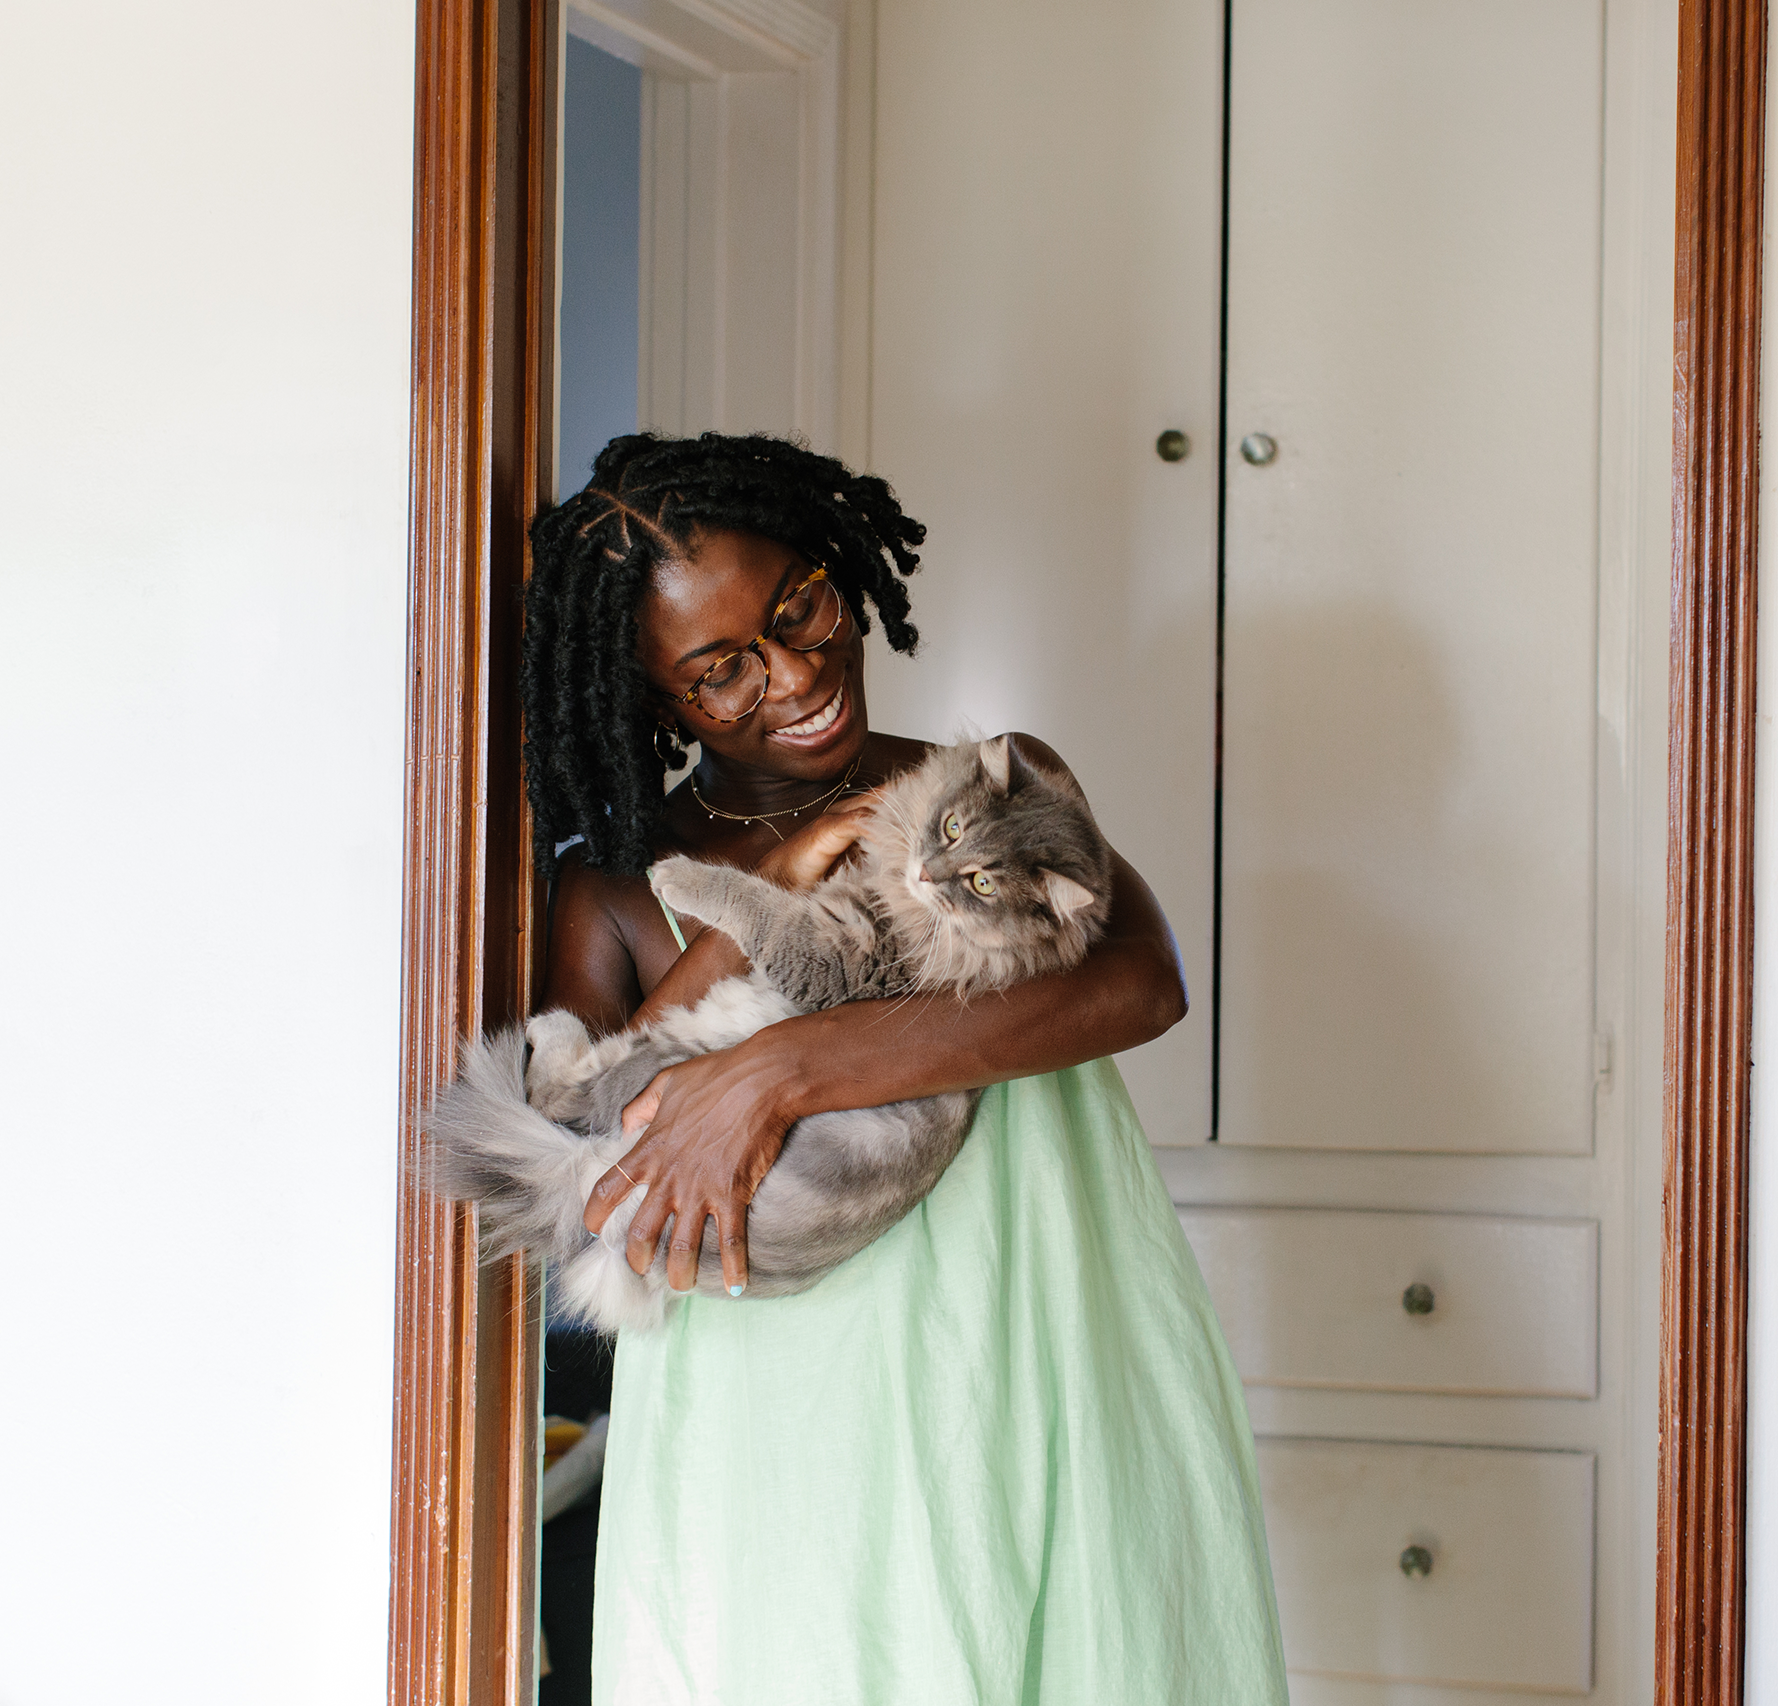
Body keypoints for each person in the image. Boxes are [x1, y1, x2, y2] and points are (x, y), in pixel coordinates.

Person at [524, 432, 1289, 1702]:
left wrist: (778, 1070)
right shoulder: (607, 894)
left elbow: (1137, 983)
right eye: (723, 671)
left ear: (836, 569)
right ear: (660, 705)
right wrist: (755, 901)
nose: (798, 674)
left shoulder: (992, 786)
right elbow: (582, 1171)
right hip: (775, 1404)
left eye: (802, 609)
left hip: (1042, 1322)